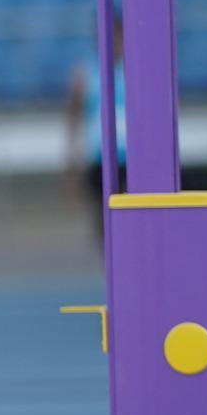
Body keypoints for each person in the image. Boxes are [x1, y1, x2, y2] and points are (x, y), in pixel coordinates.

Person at [64, 20, 126, 248]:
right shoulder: (85, 74)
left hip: (131, 158)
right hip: (99, 158)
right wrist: (72, 165)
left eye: (118, 35)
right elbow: (73, 119)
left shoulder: (136, 72)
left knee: (130, 216)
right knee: (104, 220)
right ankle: (113, 270)